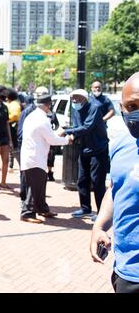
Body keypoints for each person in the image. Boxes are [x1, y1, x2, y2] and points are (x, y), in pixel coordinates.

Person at [90, 72, 139, 293]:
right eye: (133, 106)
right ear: (122, 108)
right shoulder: (121, 145)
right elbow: (115, 187)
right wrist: (99, 226)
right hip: (125, 272)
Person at [20, 94, 72, 224]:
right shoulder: (42, 119)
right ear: (47, 105)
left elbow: (46, 136)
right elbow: (52, 139)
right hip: (35, 158)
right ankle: (27, 212)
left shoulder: (33, 116)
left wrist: (56, 135)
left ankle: (42, 208)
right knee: (35, 186)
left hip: (34, 156)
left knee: (40, 185)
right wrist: (67, 140)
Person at [60, 89, 110, 221]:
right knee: (82, 180)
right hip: (84, 149)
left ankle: (101, 212)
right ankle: (85, 208)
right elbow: (78, 127)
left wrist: (67, 131)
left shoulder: (94, 108)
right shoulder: (76, 110)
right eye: (73, 98)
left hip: (98, 149)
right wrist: (72, 134)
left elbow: (87, 127)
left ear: (85, 99)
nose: (74, 100)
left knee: (97, 181)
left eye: (77, 98)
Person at [6, 88, 21, 172]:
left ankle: (20, 166)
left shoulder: (14, 104)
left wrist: (5, 120)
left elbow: (15, 115)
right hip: (10, 127)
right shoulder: (11, 103)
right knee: (11, 149)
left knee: (14, 148)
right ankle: (10, 165)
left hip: (13, 128)